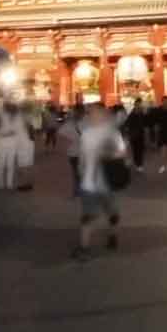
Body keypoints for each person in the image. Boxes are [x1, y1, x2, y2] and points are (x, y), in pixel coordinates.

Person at [71, 103, 128, 261]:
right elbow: (82, 156)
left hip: (107, 182)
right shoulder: (86, 133)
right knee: (87, 216)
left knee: (112, 213)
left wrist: (103, 154)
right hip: (88, 183)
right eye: (90, 113)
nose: (91, 116)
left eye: (95, 113)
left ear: (103, 114)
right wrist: (80, 173)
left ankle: (112, 235)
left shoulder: (111, 133)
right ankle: (84, 248)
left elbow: (122, 153)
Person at [58, 104, 86, 198]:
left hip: (73, 151)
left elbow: (60, 133)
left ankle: (77, 191)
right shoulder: (88, 121)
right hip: (85, 151)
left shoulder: (70, 123)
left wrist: (70, 139)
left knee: (76, 172)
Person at [0, 102, 25, 190]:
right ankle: (4, 183)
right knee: (4, 164)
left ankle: (5, 183)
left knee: (6, 164)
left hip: (9, 142)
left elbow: (19, 130)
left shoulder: (16, 118)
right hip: (6, 142)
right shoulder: (2, 117)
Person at [123, 99, 147, 172]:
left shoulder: (142, 113)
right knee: (135, 149)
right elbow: (127, 123)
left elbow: (145, 123)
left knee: (140, 150)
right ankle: (138, 164)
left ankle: (139, 164)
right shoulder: (131, 113)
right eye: (138, 104)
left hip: (141, 134)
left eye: (140, 104)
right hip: (134, 135)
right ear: (135, 105)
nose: (139, 106)